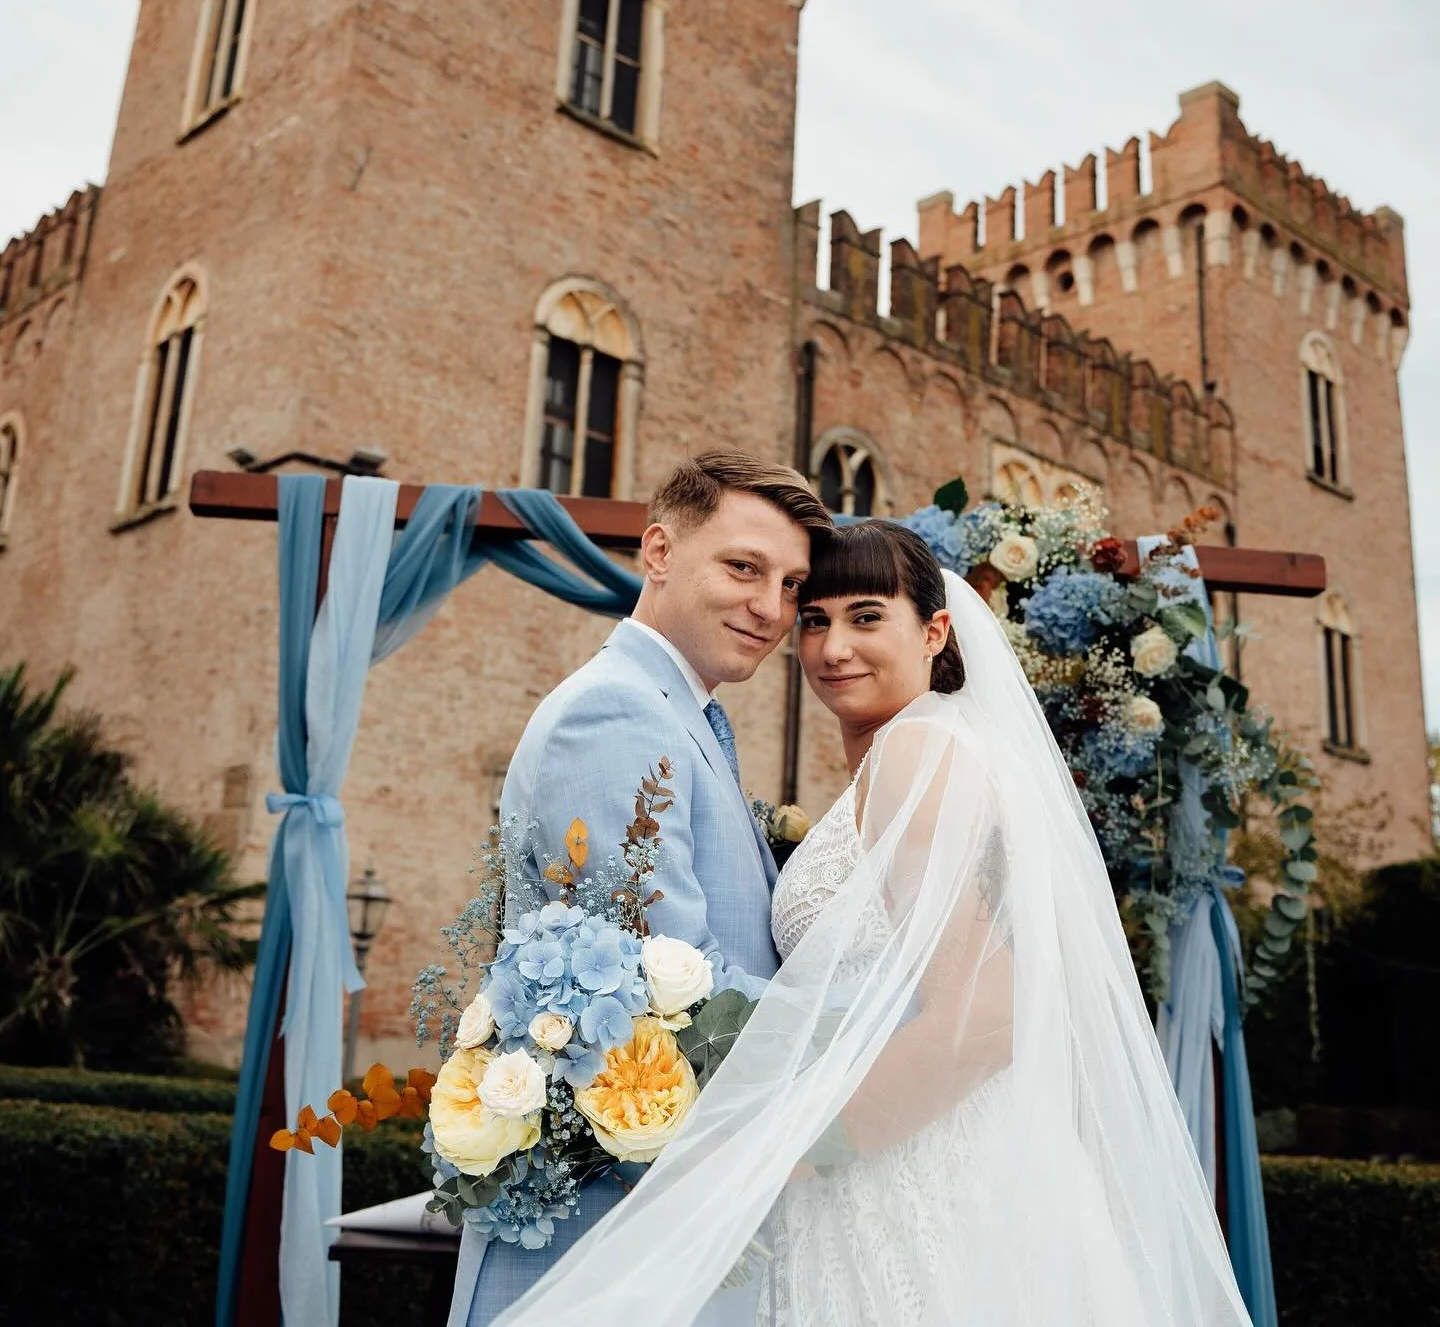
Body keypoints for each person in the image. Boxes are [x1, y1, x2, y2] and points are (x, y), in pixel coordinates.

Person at [492, 519, 1255, 1326]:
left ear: (933, 631)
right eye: (814, 620)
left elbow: (987, 1014)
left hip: (910, 1178)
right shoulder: (934, 752)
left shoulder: (915, 755)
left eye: (865, 617)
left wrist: (794, 1151)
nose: (831, 648)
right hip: (914, 1155)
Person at [449, 449, 831, 1327]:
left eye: (790, 585)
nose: (771, 608)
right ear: (658, 551)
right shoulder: (615, 712)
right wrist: (887, 1031)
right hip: (603, 1238)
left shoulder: (680, 711)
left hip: (665, 1213)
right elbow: (669, 983)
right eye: (744, 567)